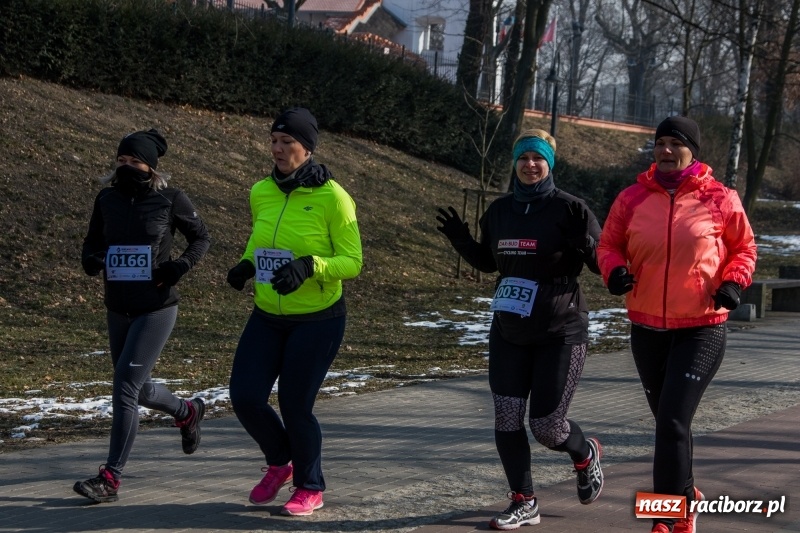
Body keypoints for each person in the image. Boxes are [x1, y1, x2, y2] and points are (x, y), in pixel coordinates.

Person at [436, 129, 605, 530]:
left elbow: (602, 267)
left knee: (547, 427)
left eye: (538, 158)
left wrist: (585, 244)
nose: (531, 165)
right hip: (509, 329)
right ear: (514, 163)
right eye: (524, 158)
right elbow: (490, 263)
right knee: (507, 418)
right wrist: (461, 241)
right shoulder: (499, 211)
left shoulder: (571, 209)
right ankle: (524, 500)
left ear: (550, 163)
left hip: (559, 330)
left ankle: (586, 454)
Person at [597, 116, 757, 533]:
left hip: (701, 327)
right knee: (671, 424)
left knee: (671, 421)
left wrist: (732, 283)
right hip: (647, 328)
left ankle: (668, 518)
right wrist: (613, 271)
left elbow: (745, 247)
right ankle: (686, 495)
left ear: (693, 151)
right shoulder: (631, 198)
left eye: (676, 144)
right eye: (660, 143)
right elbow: (609, 244)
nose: (666, 151)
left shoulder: (721, 198)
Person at [226, 107, 362, 517]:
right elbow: (260, 236)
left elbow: (352, 261)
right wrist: (248, 263)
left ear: (308, 148)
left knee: (295, 405)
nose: (278, 149)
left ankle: (310, 486)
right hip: (268, 313)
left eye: (288, 142)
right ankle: (281, 460)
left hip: (318, 318)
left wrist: (310, 266)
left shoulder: (333, 197)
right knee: (245, 395)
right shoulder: (260, 191)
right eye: (274, 141)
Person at [75, 129, 211, 503]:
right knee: (139, 386)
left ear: (150, 167)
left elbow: (202, 237)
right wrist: (91, 259)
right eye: (121, 161)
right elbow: (92, 242)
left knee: (125, 387)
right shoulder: (106, 199)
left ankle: (110, 478)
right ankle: (187, 412)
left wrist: (180, 266)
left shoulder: (170, 199)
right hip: (118, 306)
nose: (126, 167)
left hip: (156, 307)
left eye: (134, 162)